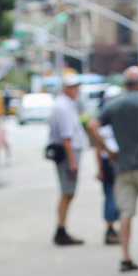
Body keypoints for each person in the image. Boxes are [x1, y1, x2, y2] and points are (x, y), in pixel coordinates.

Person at [86, 67, 138, 271]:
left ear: (125, 84)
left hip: (123, 165)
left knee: (125, 213)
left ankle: (125, 257)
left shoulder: (114, 104)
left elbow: (92, 126)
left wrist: (107, 151)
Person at [49, 74, 85, 245]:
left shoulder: (66, 105)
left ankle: (61, 228)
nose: (76, 90)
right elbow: (66, 137)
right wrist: (72, 161)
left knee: (68, 192)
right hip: (68, 153)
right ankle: (61, 229)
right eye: (73, 87)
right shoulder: (62, 106)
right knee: (67, 192)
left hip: (69, 151)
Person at [93, 85, 122, 245]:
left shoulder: (106, 117)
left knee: (111, 194)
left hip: (110, 160)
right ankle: (111, 228)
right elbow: (98, 147)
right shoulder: (106, 119)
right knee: (113, 194)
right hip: (112, 160)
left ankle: (112, 227)